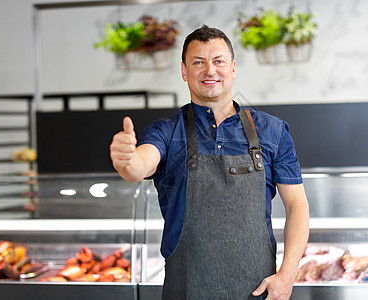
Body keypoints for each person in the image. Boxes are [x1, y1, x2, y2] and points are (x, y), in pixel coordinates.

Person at [110, 25, 309, 300]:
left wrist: (287, 276)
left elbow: (297, 205)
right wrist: (127, 161)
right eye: (198, 62)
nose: (210, 70)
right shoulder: (167, 131)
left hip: (258, 292)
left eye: (218, 61)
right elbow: (140, 164)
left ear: (233, 68)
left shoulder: (272, 131)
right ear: (184, 71)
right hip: (186, 291)